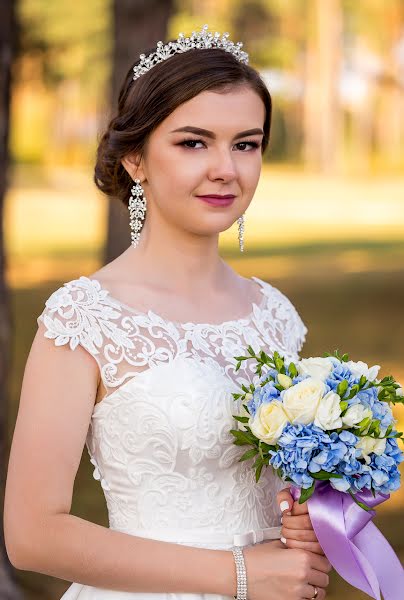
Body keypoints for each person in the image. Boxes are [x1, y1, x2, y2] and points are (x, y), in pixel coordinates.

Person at [4, 25, 332, 600]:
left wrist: (311, 521)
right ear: (136, 158)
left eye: (246, 143)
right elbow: (32, 535)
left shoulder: (276, 314)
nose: (226, 168)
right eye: (193, 142)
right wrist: (240, 575)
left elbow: (279, 483)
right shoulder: (84, 319)